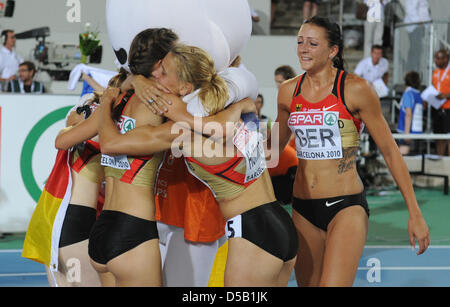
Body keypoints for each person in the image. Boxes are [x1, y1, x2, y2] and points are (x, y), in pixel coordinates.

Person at [99, 44, 298, 286]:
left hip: (252, 232)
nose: (156, 77)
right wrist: (136, 81)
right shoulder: (236, 104)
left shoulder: (186, 134)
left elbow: (110, 143)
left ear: (184, 87)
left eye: (163, 72)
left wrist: (115, 98)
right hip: (278, 223)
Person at [274, 16, 429, 287]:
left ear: (333, 50)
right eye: (300, 42)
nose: (303, 49)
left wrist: (414, 211)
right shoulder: (288, 92)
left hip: (346, 207)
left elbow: (391, 153)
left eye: (312, 43)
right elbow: (271, 149)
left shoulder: (355, 89)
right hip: (302, 208)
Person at [54, 28, 180, 286]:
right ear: (161, 63)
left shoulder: (114, 99)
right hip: (134, 230)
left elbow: (62, 141)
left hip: (103, 231)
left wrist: (131, 82)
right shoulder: (162, 101)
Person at [397, 71, 423, 155]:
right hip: (417, 131)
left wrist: (406, 134)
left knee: (403, 159)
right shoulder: (418, 94)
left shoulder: (408, 94)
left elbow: (408, 114)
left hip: (408, 131)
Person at [431, 49, 450, 156]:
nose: (436, 61)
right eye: (435, 58)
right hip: (437, 107)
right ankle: (440, 158)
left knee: (449, 136)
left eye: (438, 58)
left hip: (448, 108)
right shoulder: (435, 72)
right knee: (438, 136)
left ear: (446, 59)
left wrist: (446, 95)